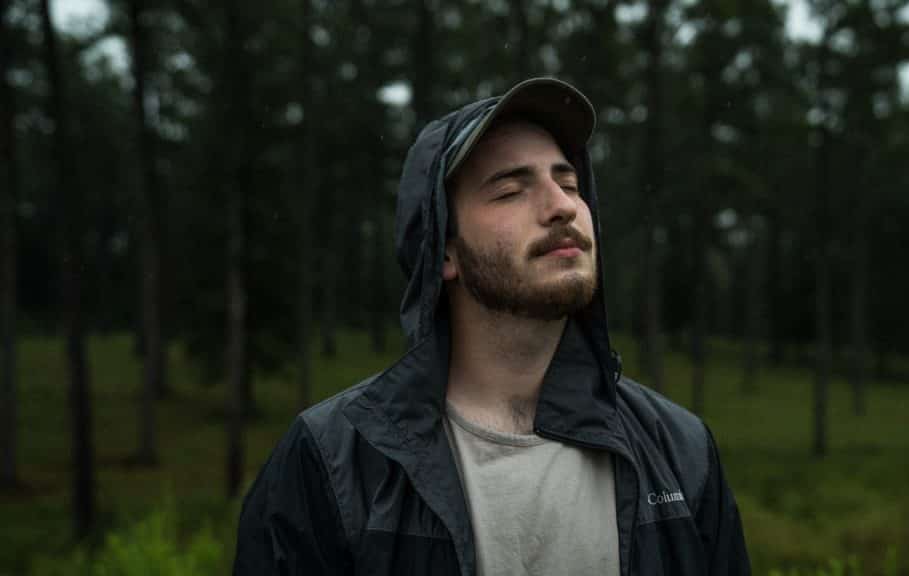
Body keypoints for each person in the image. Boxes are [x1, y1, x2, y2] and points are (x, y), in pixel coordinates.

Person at [233, 78, 750, 575]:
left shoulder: (680, 451)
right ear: (444, 251)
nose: (562, 207)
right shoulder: (333, 461)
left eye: (568, 182)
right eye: (510, 191)